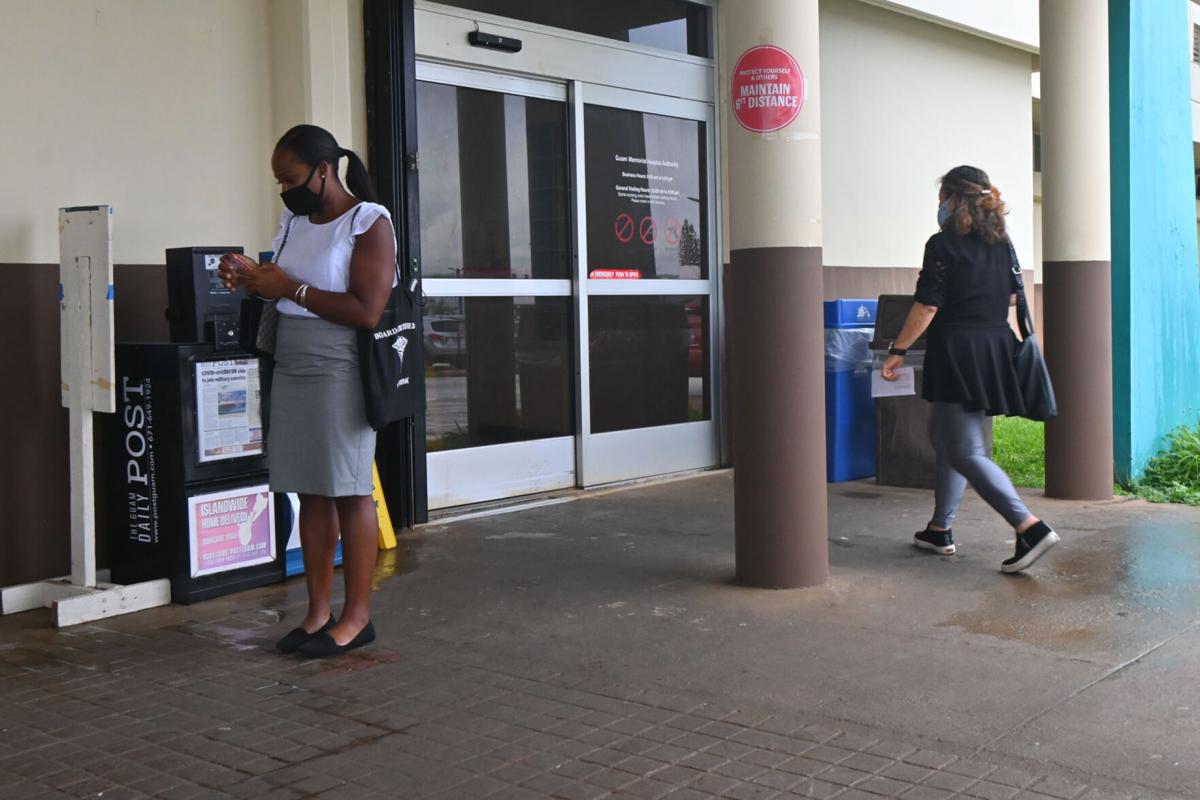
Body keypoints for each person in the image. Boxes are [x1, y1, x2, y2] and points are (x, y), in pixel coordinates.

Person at [218, 124, 396, 656]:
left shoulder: (369, 222)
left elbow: (367, 310)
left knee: (348, 489)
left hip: (339, 364)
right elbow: (280, 286)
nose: (283, 189)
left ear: (324, 171)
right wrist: (249, 276)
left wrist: (290, 287)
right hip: (292, 359)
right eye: (278, 180)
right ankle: (318, 613)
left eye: (290, 178)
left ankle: (356, 618)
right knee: (310, 489)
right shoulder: (293, 222)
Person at [881, 165, 1059, 574]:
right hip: (992, 348)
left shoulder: (942, 245)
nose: (939, 206)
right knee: (950, 440)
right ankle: (939, 529)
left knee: (965, 450)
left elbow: (928, 305)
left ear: (954, 200)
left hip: (957, 350)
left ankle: (1028, 526)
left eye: (942, 197)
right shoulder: (1002, 243)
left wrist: (898, 351)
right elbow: (1015, 298)